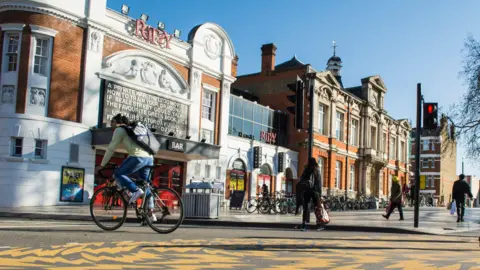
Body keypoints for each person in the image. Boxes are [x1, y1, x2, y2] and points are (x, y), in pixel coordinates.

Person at [94, 114, 155, 219]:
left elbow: (111, 148)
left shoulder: (119, 130)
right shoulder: (132, 128)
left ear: (117, 122)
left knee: (118, 173)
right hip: (150, 158)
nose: (111, 124)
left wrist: (101, 165)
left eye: (112, 122)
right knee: (145, 184)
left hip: (137, 157)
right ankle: (151, 211)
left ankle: (135, 191)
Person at [299, 158, 322, 231]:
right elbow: (319, 183)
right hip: (315, 192)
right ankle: (318, 225)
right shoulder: (317, 171)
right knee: (317, 208)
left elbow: (301, 179)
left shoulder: (306, 170)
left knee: (306, 208)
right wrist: (320, 194)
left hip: (307, 191)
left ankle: (303, 225)